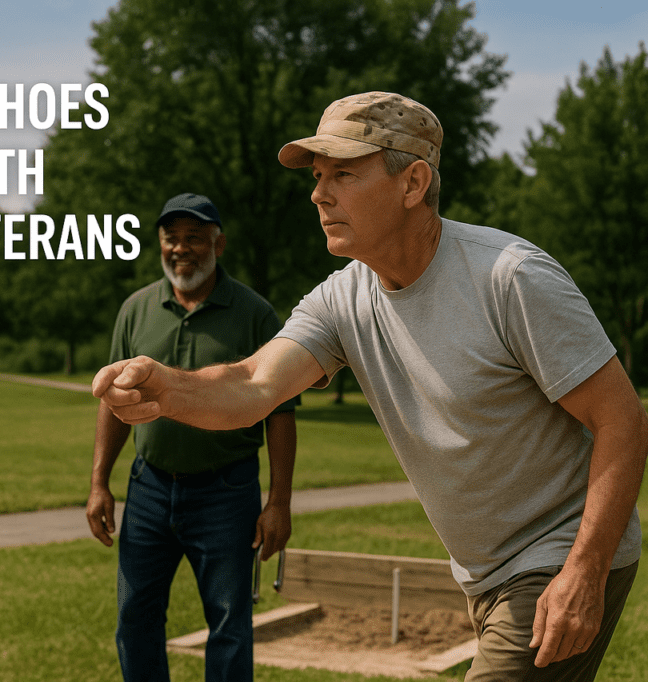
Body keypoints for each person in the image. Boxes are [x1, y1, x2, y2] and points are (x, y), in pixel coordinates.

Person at [92, 92, 647, 681]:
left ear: (412, 183)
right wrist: (167, 387)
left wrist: (583, 573)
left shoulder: (509, 277)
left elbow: (622, 419)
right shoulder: (343, 298)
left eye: (344, 174)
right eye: (317, 176)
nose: (318, 194)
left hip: (557, 557)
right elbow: (254, 384)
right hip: (485, 575)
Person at [86, 192, 298, 682]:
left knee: (229, 623)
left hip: (227, 493)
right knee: (135, 616)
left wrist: (279, 502)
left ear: (218, 244)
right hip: (150, 489)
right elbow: (113, 404)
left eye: (195, 238)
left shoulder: (255, 314)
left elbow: (282, 413)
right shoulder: (137, 310)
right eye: (172, 238)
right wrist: (99, 481)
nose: (181, 248)